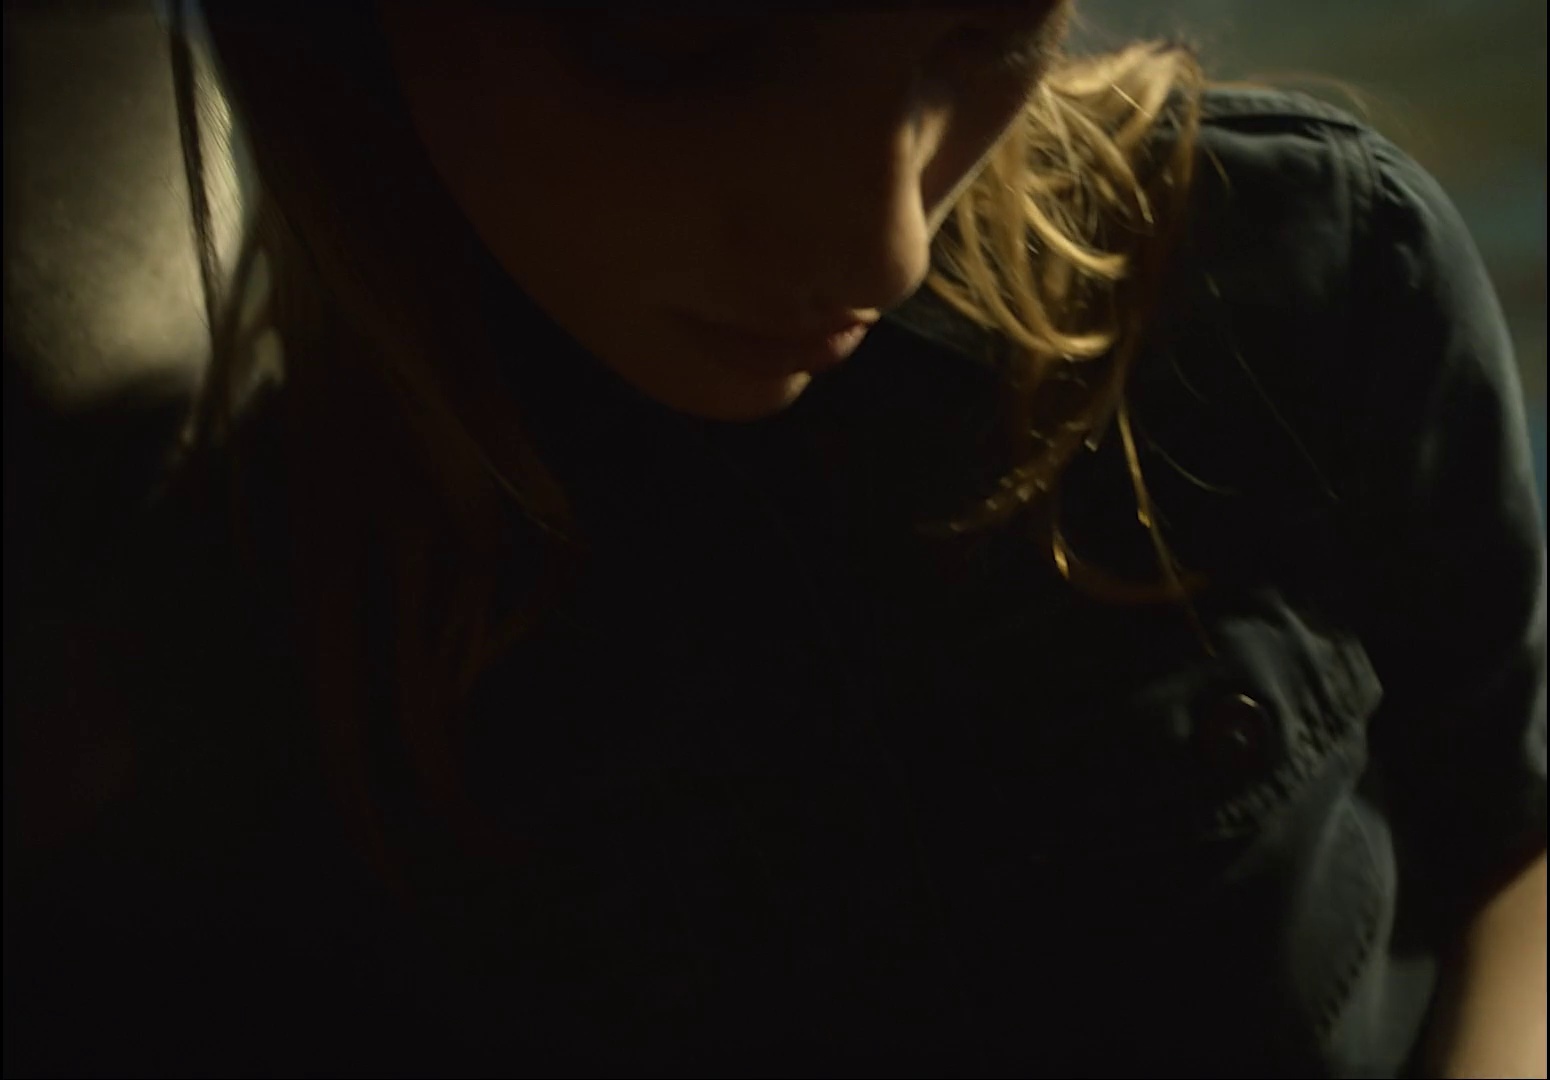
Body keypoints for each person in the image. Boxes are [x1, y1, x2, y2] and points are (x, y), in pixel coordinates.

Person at [3, 3, 1545, 1076]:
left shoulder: (1308, 270)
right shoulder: (218, 645)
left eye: (987, 28)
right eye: (680, 45)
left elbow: (1509, 836)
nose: (880, 246)